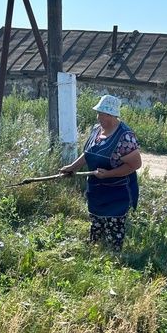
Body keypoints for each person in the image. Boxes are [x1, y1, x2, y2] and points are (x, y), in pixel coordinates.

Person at [60, 94, 141, 250]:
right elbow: (88, 154)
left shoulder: (125, 137)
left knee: (113, 228)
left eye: (101, 114)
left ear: (111, 115)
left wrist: (108, 174)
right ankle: (96, 252)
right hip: (97, 190)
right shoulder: (97, 130)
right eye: (98, 113)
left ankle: (114, 258)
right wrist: (72, 167)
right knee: (96, 223)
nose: (98, 117)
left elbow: (135, 165)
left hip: (117, 192)